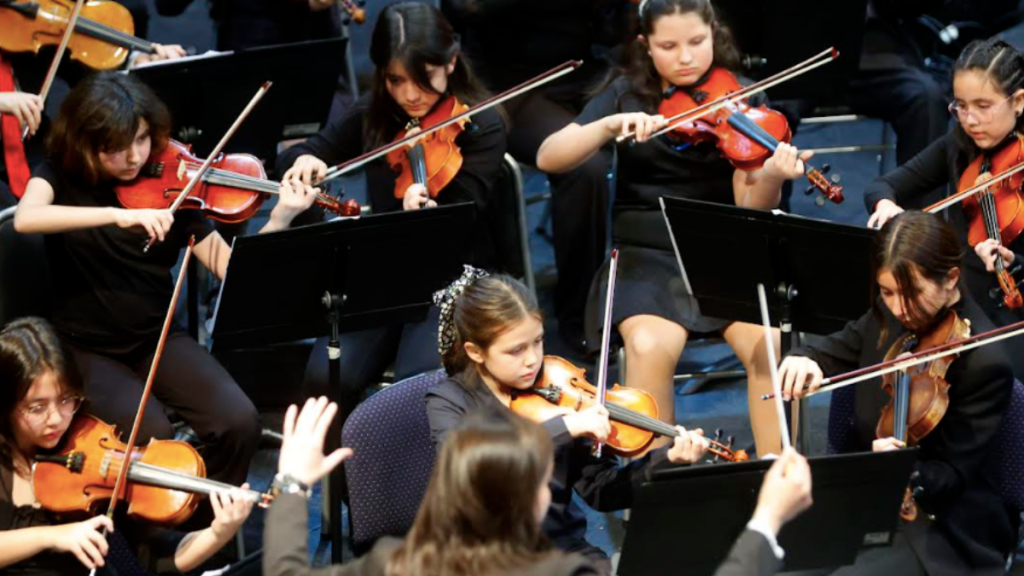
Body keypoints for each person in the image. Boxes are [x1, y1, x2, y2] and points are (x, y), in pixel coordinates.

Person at [13, 71, 319, 486]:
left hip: (155, 338)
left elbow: (232, 270)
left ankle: (201, 524)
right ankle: (149, 544)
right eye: (117, 149)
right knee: (153, 439)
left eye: (141, 139)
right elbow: (27, 219)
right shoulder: (61, 173)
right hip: (85, 349)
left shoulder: (174, 189)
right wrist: (120, 215)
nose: (136, 157)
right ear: (88, 144)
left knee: (239, 422)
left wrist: (281, 217)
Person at [535, 0, 812, 456]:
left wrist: (771, 176)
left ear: (714, 34)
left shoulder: (743, 97)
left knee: (770, 342)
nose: (685, 57)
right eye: (669, 46)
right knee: (646, 346)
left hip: (724, 247)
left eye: (696, 42)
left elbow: (751, 205)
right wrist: (606, 126)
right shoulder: (626, 94)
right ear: (645, 45)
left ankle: (777, 470)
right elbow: (549, 156)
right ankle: (656, 479)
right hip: (647, 252)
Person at [264, 396, 813, 576]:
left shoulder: (394, 561)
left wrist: (291, 482)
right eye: (540, 483)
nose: (551, 493)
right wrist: (764, 523)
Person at [276, 2, 508, 427]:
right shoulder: (375, 114)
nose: (411, 95)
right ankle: (349, 490)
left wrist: (429, 212)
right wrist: (304, 160)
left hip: (456, 274)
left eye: (424, 79)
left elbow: (466, 216)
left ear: (451, 62)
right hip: (387, 271)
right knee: (324, 378)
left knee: (415, 386)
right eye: (397, 80)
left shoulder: (482, 123)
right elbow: (309, 150)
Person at [779, 211, 1018, 575]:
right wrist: (806, 358)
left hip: (944, 525)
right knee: (777, 554)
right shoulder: (892, 314)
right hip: (872, 500)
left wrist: (904, 471)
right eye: (887, 292)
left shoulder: (984, 362)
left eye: (911, 294)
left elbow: (952, 474)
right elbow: (840, 345)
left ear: (951, 279)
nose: (899, 308)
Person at [425, 269, 711, 573]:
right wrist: (564, 428)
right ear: (476, 352)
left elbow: (602, 491)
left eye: (537, 341)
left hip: (561, 549)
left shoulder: (560, 393)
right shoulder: (449, 401)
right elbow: (474, 466)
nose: (532, 360)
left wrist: (666, 460)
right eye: (515, 350)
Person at [442, 0, 632, 349]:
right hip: (509, 85)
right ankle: (581, 314)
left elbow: (608, 31)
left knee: (657, 111)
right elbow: (459, 10)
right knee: (584, 168)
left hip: (582, 73)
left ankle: (647, 296)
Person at [0, 317, 254, 575]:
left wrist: (218, 533)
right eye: (37, 407)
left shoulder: (87, 448)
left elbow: (152, 561)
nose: (56, 418)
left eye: (66, 400)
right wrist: (52, 536)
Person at [866, 37, 1024, 381]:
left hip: (1016, 306)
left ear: (1019, 101)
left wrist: (1017, 263)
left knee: (1001, 378)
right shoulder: (960, 144)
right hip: (966, 292)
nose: (970, 119)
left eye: (983, 106)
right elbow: (884, 185)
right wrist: (887, 205)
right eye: (960, 107)